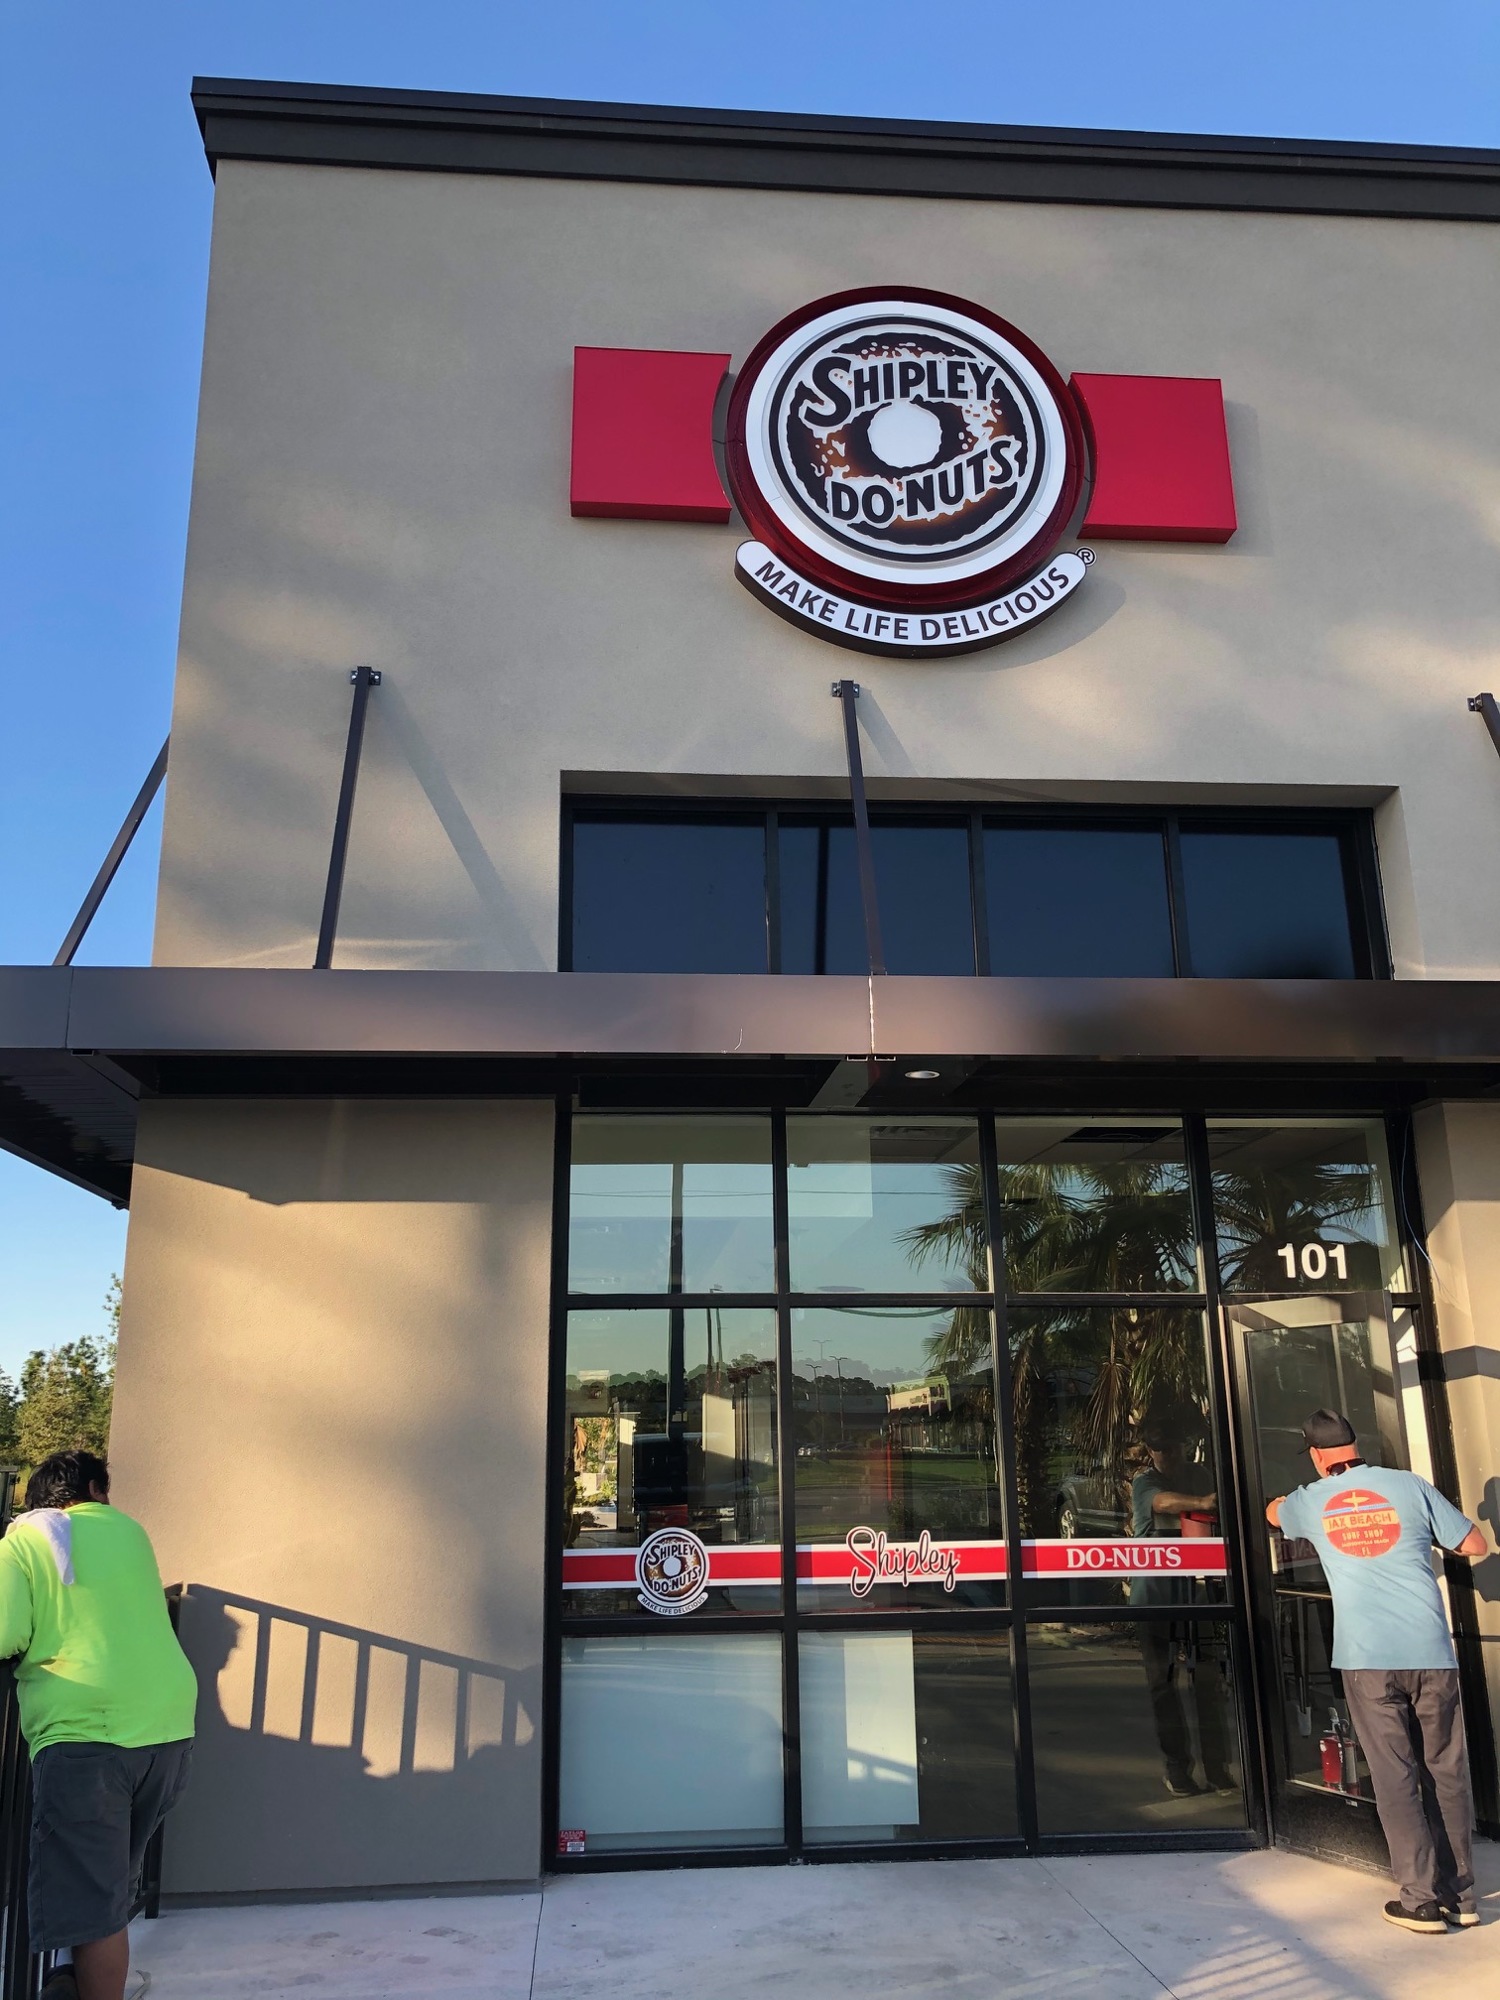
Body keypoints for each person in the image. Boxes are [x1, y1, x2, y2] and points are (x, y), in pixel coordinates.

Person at [1267, 1408, 1488, 1935]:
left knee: (1396, 1775)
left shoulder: (1311, 1499)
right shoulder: (1410, 1485)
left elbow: (1273, 1513)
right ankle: (1461, 1897)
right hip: (1430, 1651)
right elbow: (1474, 1544)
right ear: (1355, 1445)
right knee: (1447, 1771)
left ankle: (1419, 1900)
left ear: (1319, 1456)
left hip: (1367, 1658)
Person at [0, 1449, 198, 2000]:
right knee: (108, 1890)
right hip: (169, 1730)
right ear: (94, 1489)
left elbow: (4, 1630)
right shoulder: (132, 1532)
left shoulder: (25, 1539)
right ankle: (79, 1977)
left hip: (88, 1733)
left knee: (94, 1904)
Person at [1131, 1422, 1235, 1798]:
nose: (1167, 1455)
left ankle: (1218, 1768)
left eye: (1172, 1447)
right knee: (1163, 1685)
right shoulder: (1145, 1483)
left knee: (1207, 1681)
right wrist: (1204, 1503)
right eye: (1159, 1449)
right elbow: (1161, 1502)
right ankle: (1178, 1769)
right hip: (1154, 1597)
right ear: (1150, 1451)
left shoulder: (1200, 1473)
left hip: (1198, 1595)